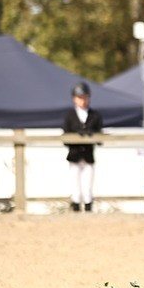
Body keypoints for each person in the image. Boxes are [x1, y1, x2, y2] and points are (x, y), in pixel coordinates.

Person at [63, 81, 103, 212]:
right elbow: (65, 138)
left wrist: (92, 135)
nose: (82, 101)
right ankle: (75, 208)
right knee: (75, 187)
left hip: (88, 155)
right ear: (74, 99)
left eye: (85, 97)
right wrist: (77, 136)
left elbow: (100, 138)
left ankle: (88, 208)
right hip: (74, 156)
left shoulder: (95, 115)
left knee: (87, 187)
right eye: (80, 98)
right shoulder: (69, 116)